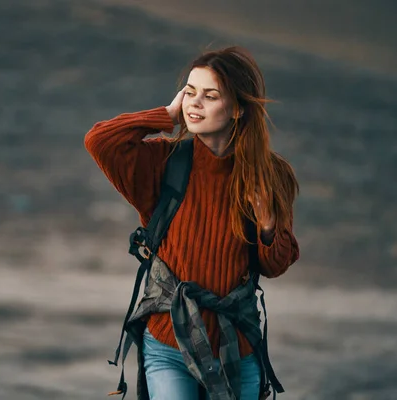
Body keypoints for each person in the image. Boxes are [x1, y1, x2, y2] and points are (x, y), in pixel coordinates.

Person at [84, 46, 299, 400]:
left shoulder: (270, 175)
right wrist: (167, 116)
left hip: (237, 347)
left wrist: (267, 223)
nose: (195, 103)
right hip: (167, 344)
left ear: (238, 109)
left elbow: (275, 265)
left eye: (210, 95)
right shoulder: (165, 162)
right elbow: (99, 140)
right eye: (189, 92)